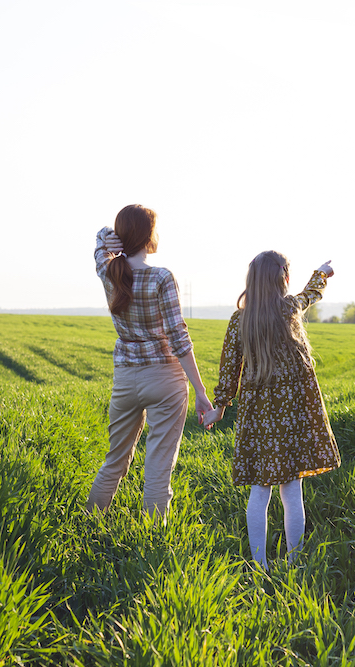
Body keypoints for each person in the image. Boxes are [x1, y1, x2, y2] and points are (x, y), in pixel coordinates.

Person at [203, 251, 341, 568]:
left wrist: (219, 408)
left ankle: (259, 564)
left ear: (251, 282)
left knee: (259, 491)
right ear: (284, 280)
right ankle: (295, 563)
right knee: (292, 491)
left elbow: (229, 369)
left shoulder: (241, 320)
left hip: (257, 416)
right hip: (294, 412)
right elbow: (311, 294)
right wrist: (321, 272)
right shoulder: (290, 308)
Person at [87, 204, 213, 519]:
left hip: (127, 379)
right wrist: (199, 390)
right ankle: (153, 539)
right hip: (165, 377)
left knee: (114, 460)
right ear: (148, 235)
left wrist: (108, 239)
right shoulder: (161, 277)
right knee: (158, 466)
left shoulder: (108, 271)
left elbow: (100, 243)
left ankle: (88, 523)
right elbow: (178, 337)